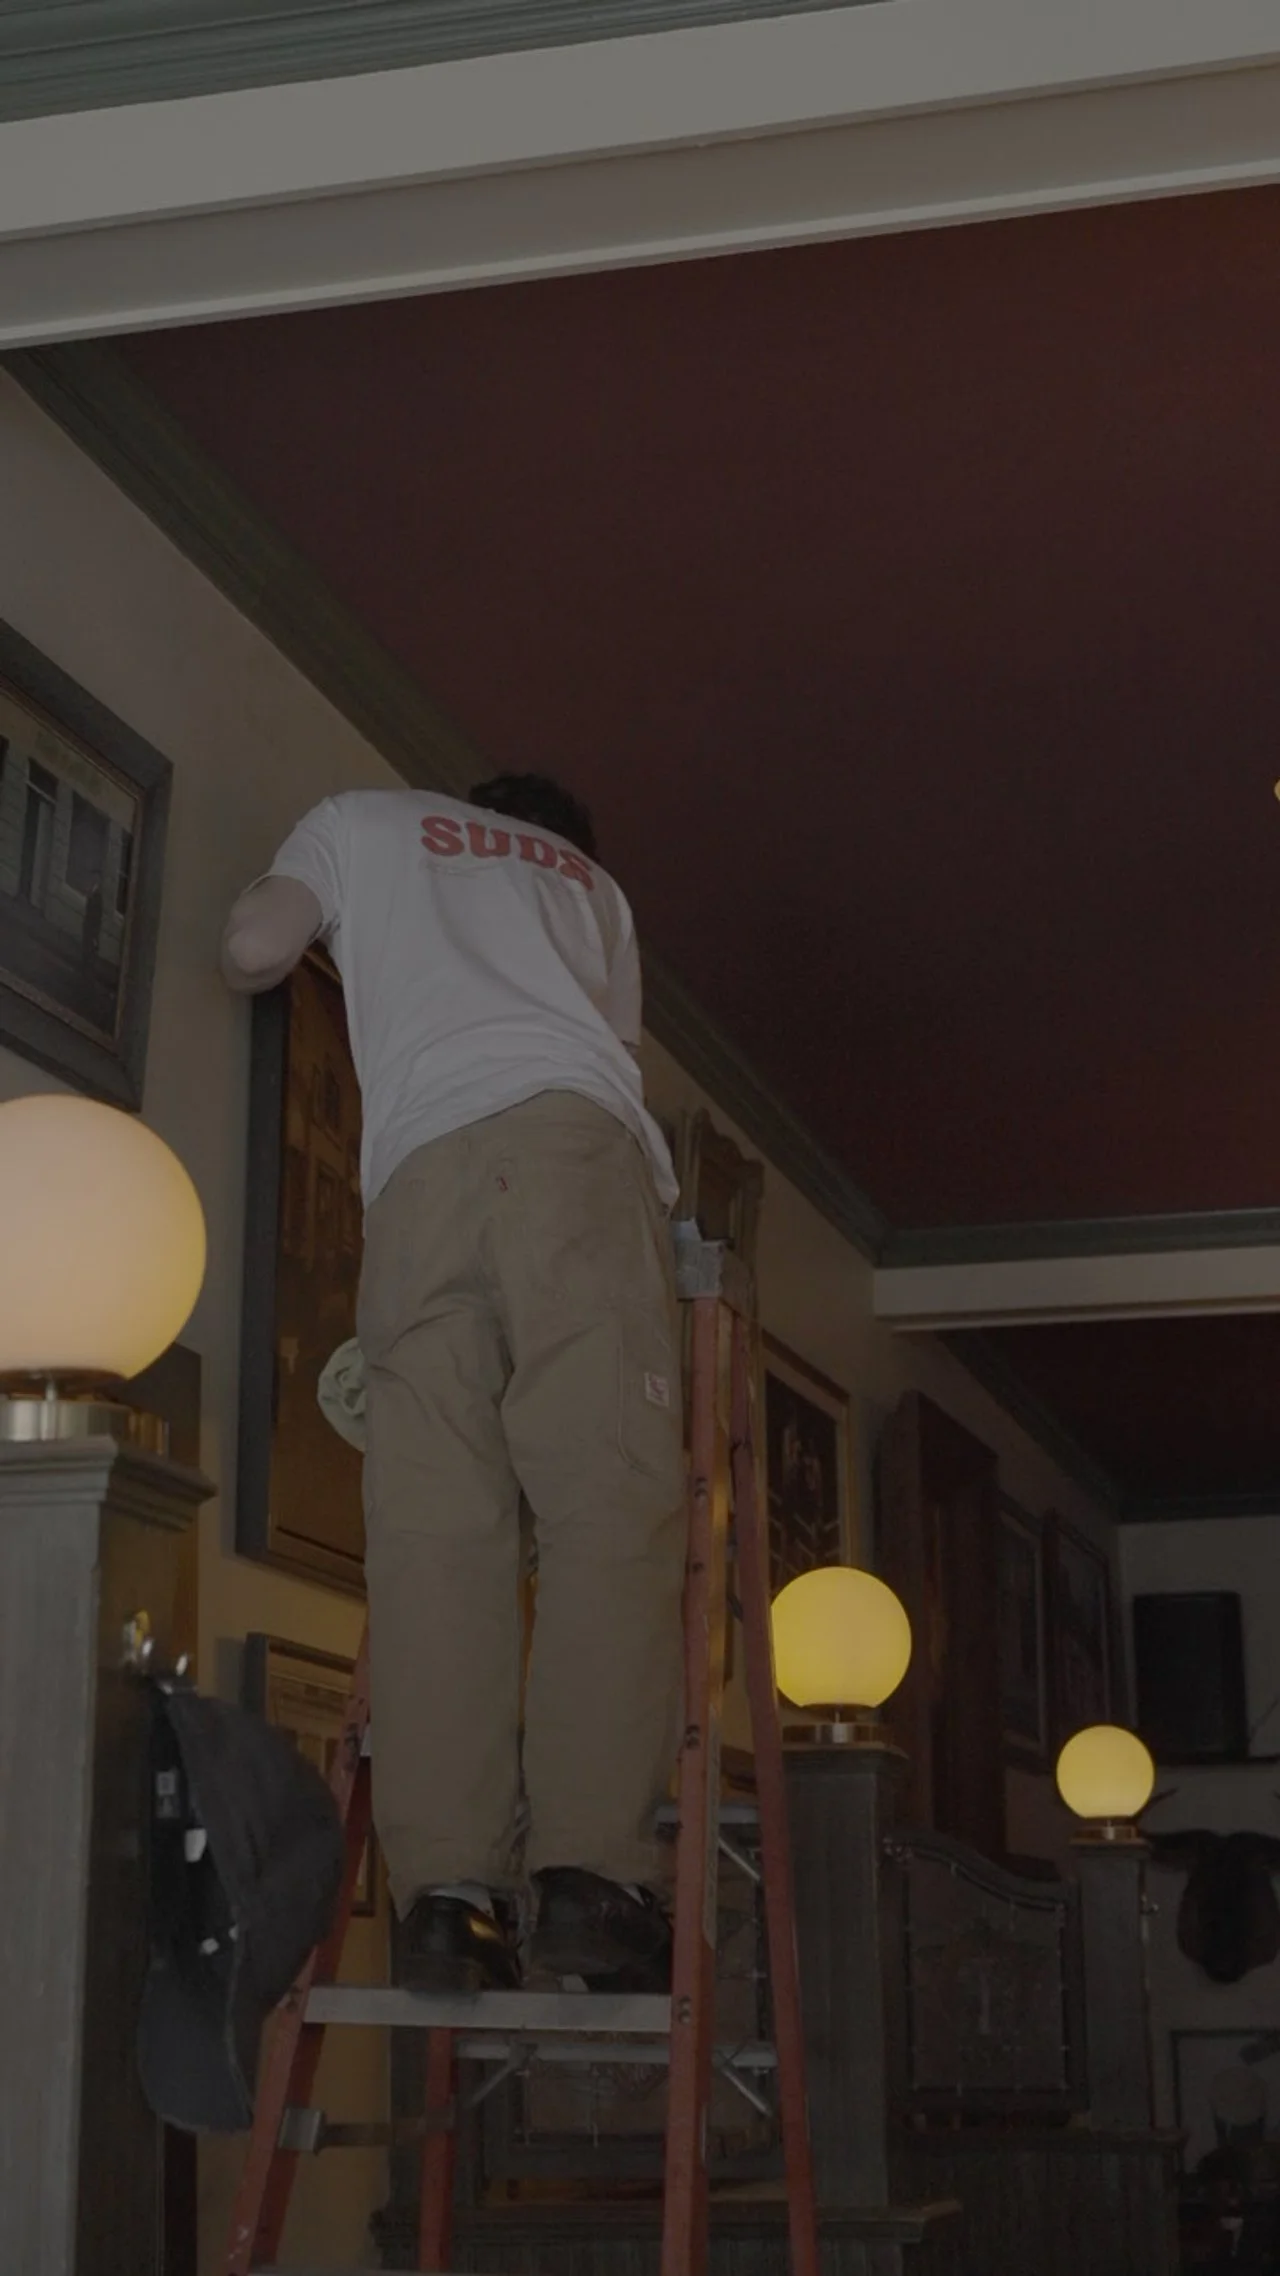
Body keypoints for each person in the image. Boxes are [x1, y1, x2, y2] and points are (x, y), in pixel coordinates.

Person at [222, 774, 686, 1995]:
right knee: (605, 1512)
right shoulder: (593, 888)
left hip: (416, 1184)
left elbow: (254, 944)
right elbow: (610, 1056)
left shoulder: (358, 819)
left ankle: (446, 1896)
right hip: (571, 1161)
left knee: (434, 1537)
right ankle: (588, 1876)